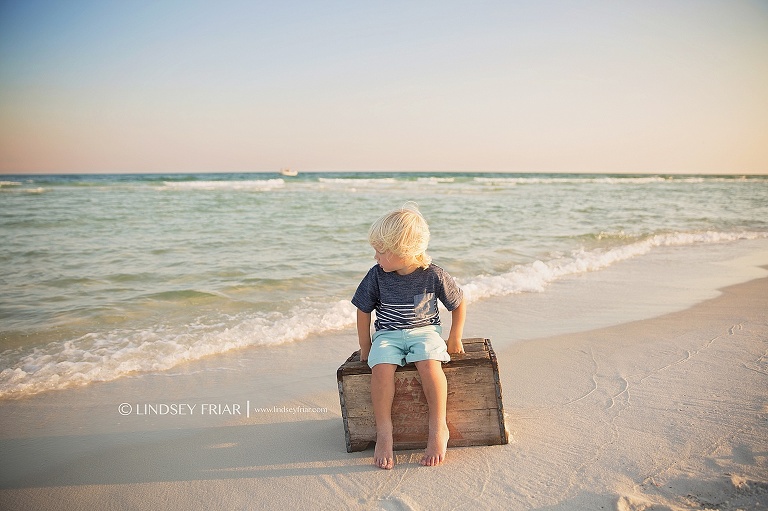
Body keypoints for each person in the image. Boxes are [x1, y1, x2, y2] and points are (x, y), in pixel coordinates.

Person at [352, 204, 466, 469]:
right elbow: (362, 309)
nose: (375, 257)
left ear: (403, 252)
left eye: (380, 251)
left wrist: (454, 337)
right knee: (380, 369)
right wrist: (365, 345)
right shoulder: (377, 275)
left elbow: (458, 303)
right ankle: (384, 433)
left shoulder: (434, 275)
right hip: (388, 335)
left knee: (429, 364)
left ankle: (438, 429)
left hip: (424, 332)